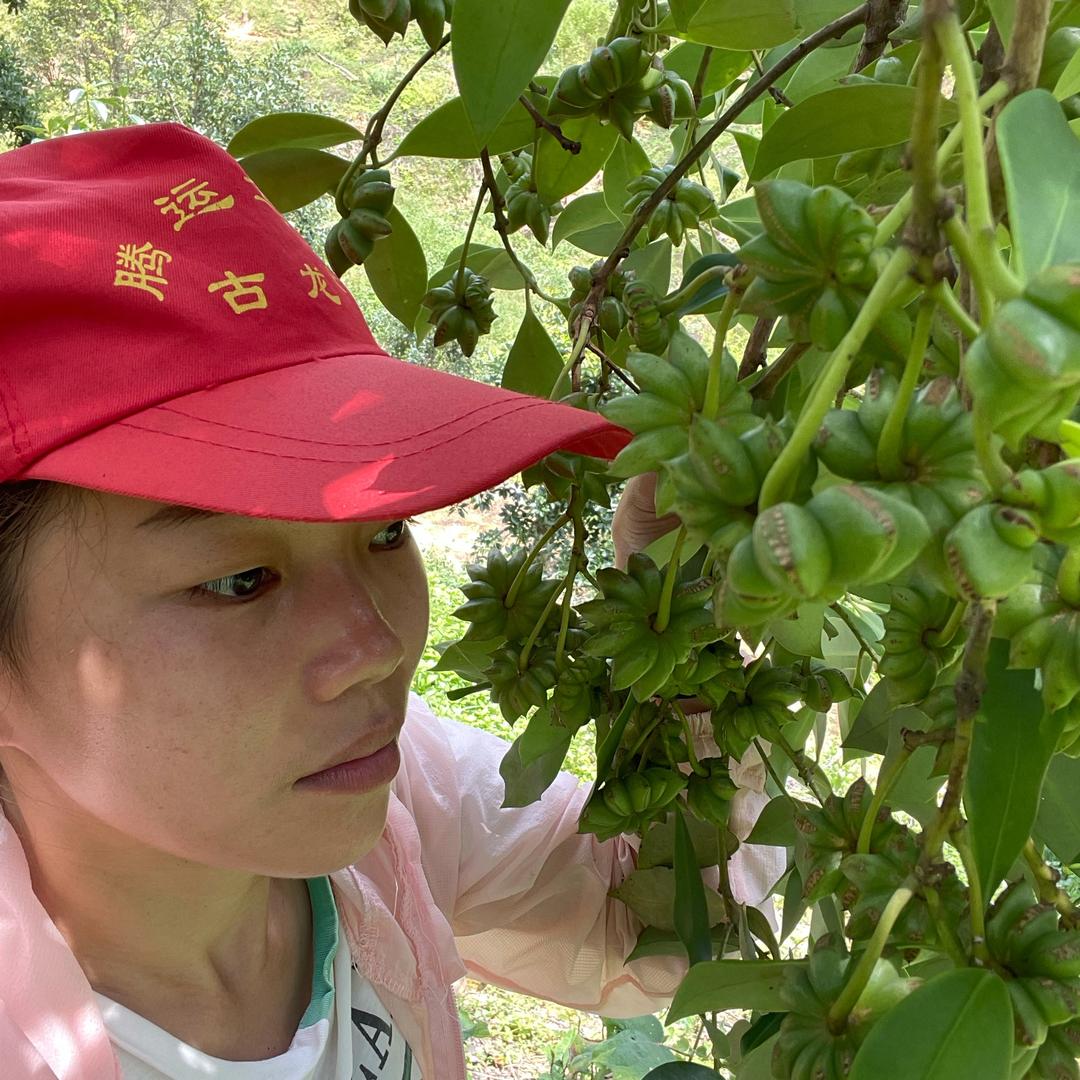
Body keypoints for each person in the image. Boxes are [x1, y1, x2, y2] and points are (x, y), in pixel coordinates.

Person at [0, 122, 783, 1080]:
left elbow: (661, 927)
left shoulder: (394, 796)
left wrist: (685, 620)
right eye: (240, 581)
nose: (375, 643)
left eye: (384, 534)